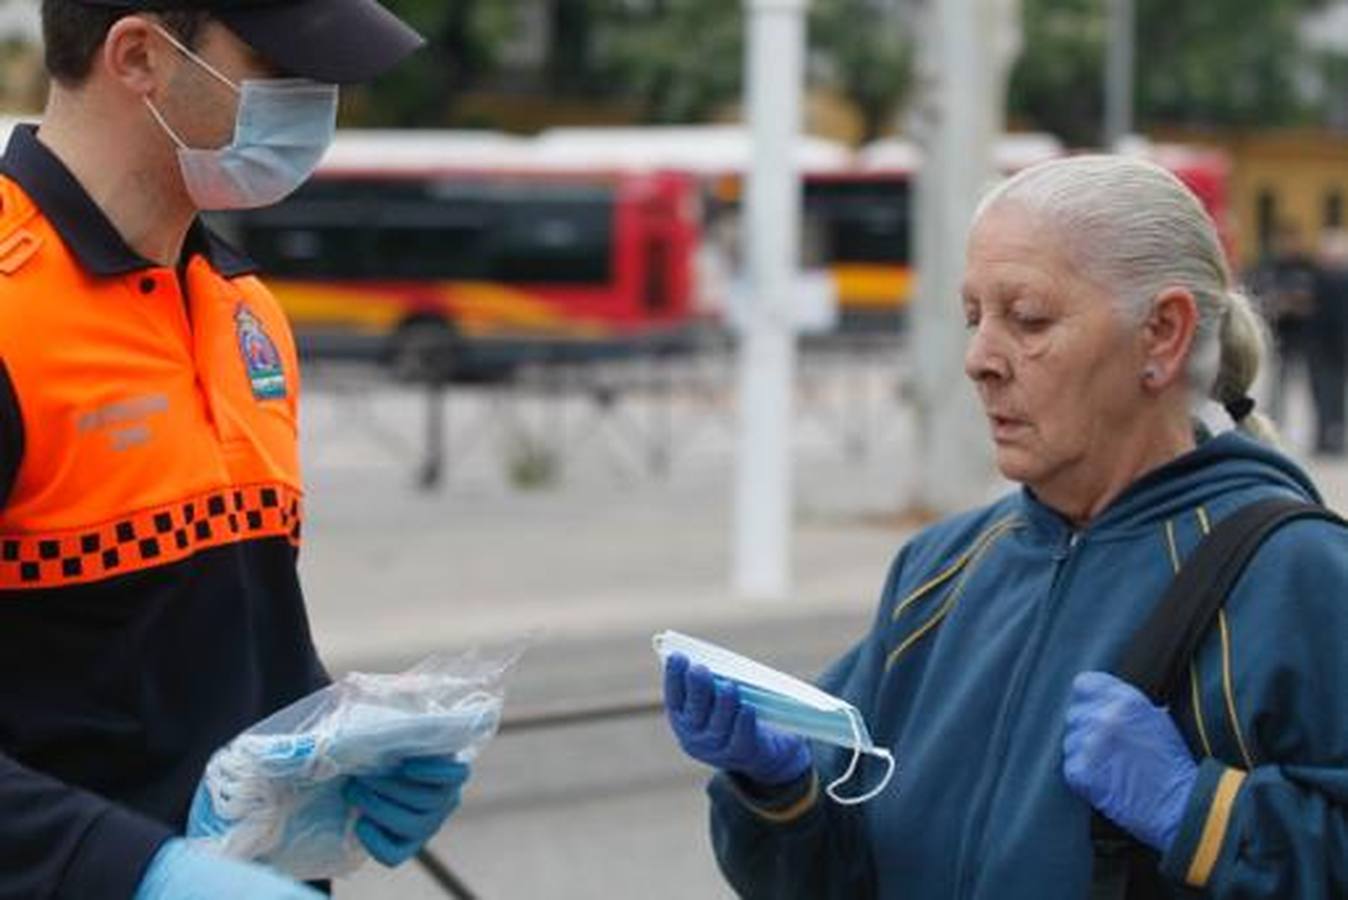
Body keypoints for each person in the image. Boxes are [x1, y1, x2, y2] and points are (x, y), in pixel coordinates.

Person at [662, 156, 1348, 898]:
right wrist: (779, 791)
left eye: (1028, 319)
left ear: (1161, 333)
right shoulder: (939, 569)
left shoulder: (1296, 574)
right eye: (973, 317)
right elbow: (836, 877)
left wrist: (1203, 816)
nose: (980, 359)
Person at [0, 2, 469, 898]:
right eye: (279, 65)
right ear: (138, 56)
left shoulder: (241, 308)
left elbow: (216, 641)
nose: (317, 101)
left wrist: (340, 747)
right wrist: (143, 873)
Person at [1309, 229, 1348, 454]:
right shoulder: (1320, 278)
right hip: (1322, 346)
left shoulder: (1334, 279)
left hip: (1332, 347)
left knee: (1331, 395)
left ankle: (1331, 436)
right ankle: (1326, 436)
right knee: (1323, 394)